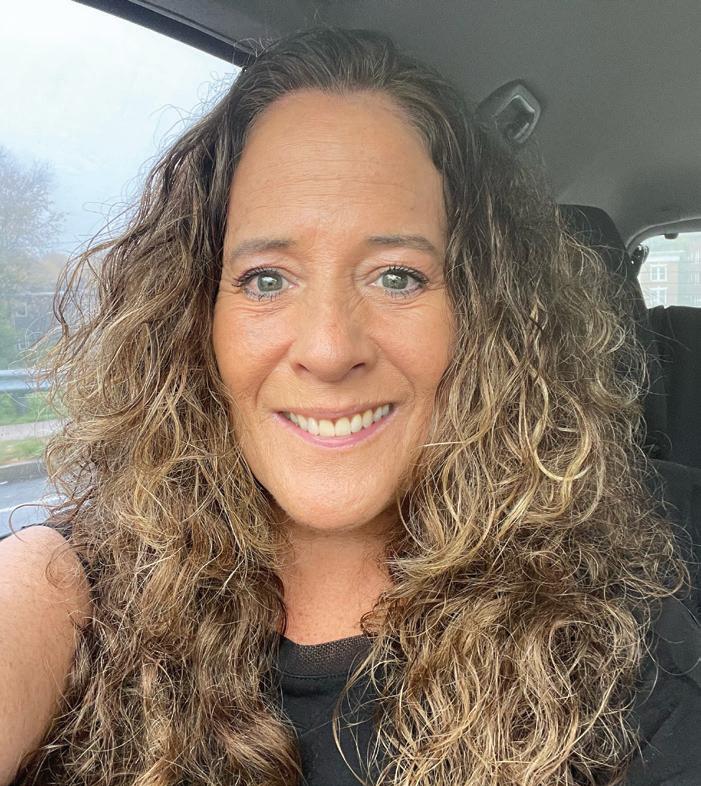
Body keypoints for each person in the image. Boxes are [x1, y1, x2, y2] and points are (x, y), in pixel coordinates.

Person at [0, 25, 699, 786]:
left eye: (397, 276)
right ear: (197, 317)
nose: (330, 349)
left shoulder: (623, 646)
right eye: (266, 279)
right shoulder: (61, 590)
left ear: (483, 316)